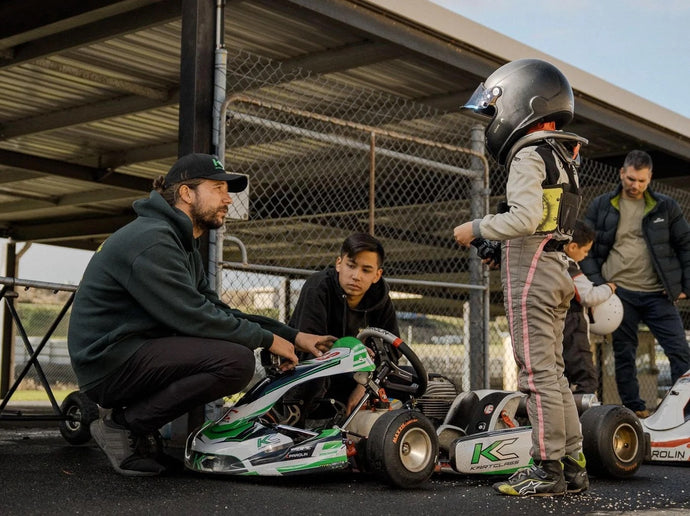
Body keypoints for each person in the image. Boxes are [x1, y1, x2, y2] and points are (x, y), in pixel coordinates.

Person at [68, 153, 334, 477]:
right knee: (234, 361)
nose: (227, 199)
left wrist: (292, 335)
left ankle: (136, 430)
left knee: (230, 352)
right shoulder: (152, 239)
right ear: (186, 193)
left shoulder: (182, 242)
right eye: (218, 188)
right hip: (106, 361)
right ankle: (121, 427)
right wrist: (266, 340)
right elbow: (193, 316)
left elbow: (216, 310)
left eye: (227, 190)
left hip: (131, 352)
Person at [453, 58, 589, 496]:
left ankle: (547, 468)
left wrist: (478, 228)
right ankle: (572, 463)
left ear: (521, 102)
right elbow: (547, 221)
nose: (495, 121)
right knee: (555, 373)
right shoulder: (560, 155)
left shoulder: (528, 153)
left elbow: (527, 217)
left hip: (532, 273)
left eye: (496, 110)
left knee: (535, 376)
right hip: (554, 267)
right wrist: (498, 245)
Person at [580, 149, 690, 418]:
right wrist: (599, 285)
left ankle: (682, 411)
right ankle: (634, 410)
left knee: (680, 352)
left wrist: (685, 284)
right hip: (619, 294)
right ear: (622, 173)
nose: (635, 186)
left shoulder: (667, 207)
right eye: (630, 179)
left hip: (658, 294)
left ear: (650, 177)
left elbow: (685, 245)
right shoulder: (602, 205)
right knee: (624, 353)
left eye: (641, 181)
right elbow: (586, 249)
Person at [288, 232, 399, 416]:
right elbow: (310, 349)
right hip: (315, 371)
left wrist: (365, 385)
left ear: (377, 275)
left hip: (359, 376)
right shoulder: (318, 287)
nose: (356, 276)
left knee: (409, 379)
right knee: (314, 377)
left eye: (366, 270)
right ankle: (305, 429)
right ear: (339, 263)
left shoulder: (381, 299)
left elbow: (392, 351)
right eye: (351, 265)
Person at [563, 220, 617, 394]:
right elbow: (588, 296)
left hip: (559, 328)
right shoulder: (568, 266)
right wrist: (608, 288)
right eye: (585, 251)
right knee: (586, 378)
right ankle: (585, 417)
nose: (586, 256)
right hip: (573, 327)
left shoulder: (551, 262)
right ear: (572, 247)